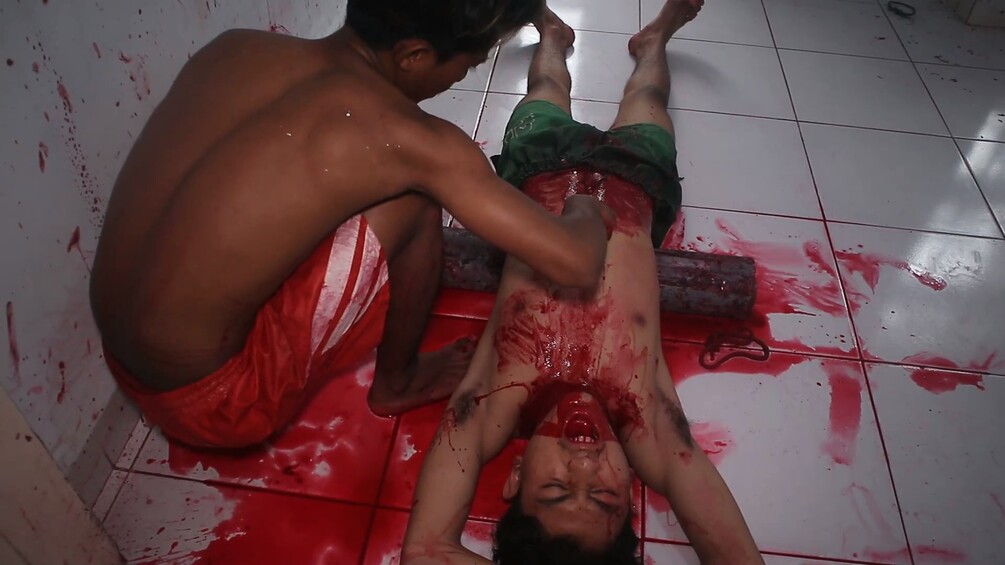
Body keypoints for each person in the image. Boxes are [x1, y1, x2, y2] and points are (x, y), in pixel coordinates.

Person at [88, 0, 615, 449]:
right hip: (215, 403)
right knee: (414, 196)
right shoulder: (408, 140)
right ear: (413, 56)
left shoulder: (234, 49)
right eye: (467, 65)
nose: (461, 77)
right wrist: (585, 208)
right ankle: (399, 382)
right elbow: (576, 262)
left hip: (124, 355)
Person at [401, 2, 764, 564]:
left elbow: (426, 552)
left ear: (515, 476)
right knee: (648, 96)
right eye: (603, 495)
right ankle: (655, 40)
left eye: (555, 488)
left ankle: (551, 32)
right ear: (631, 490)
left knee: (546, 85)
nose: (584, 461)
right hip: (636, 181)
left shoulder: (492, 404)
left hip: (539, 166)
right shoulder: (650, 426)